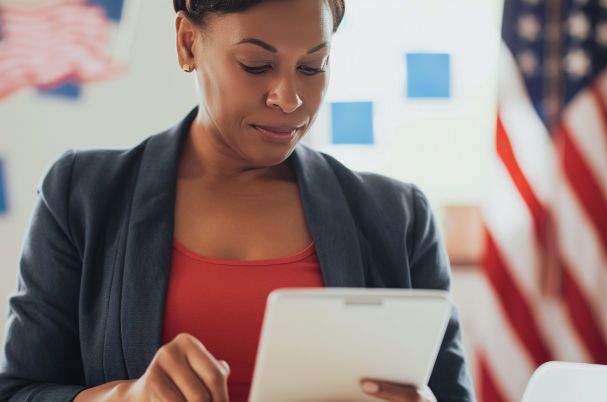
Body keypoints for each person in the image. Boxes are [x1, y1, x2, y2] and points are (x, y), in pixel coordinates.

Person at [0, 1, 476, 401]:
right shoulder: (81, 195)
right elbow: (19, 390)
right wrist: (126, 396)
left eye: (312, 67)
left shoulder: (399, 216)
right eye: (256, 65)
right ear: (188, 42)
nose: (289, 98)